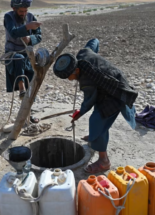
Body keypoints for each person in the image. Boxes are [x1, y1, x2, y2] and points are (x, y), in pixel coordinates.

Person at [53, 38, 138, 173]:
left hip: (115, 92)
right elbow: (94, 41)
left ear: (75, 71)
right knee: (97, 124)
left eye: (69, 77)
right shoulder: (84, 53)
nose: (70, 80)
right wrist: (96, 56)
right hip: (113, 80)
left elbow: (89, 100)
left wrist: (79, 113)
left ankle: (104, 161)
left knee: (97, 121)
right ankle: (94, 136)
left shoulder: (88, 81)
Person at [4, 0, 41, 123]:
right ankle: (21, 88)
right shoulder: (8, 17)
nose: (23, 13)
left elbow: (39, 36)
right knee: (18, 59)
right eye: (21, 11)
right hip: (12, 54)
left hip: (28, 54)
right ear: (14, 9)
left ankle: (28, 115)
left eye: (25, 11)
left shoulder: (30, 17)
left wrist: (31, 39)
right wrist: (27, 27)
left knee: (32, 84)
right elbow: (13, 32)